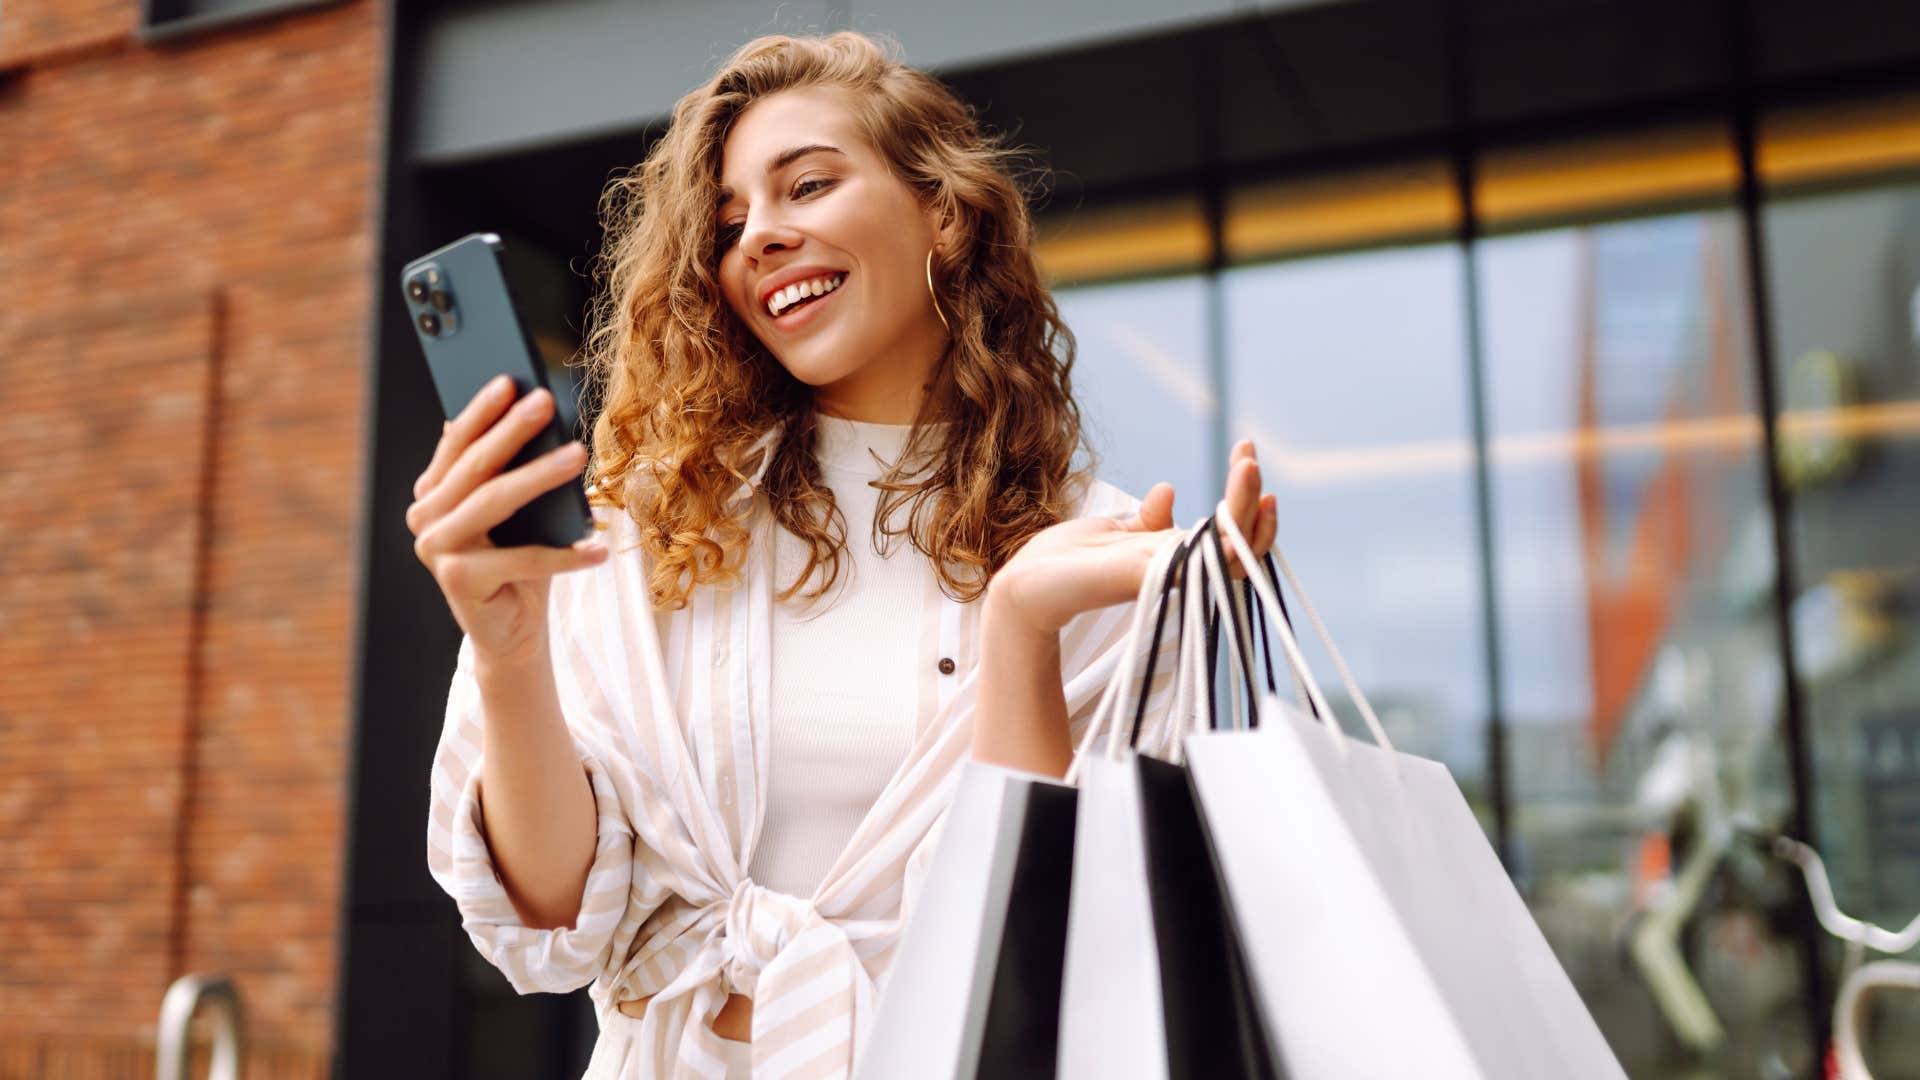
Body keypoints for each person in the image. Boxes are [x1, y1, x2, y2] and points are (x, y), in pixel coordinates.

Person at [412, 30, 1276, 1080]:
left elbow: (1067, 956)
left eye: (808, 185)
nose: (760, 237)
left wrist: (1021, 630)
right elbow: (549, 922)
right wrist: (509, 657)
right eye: (728, 225)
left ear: (943, 211)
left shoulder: (1097, 553)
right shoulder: (639, 538)